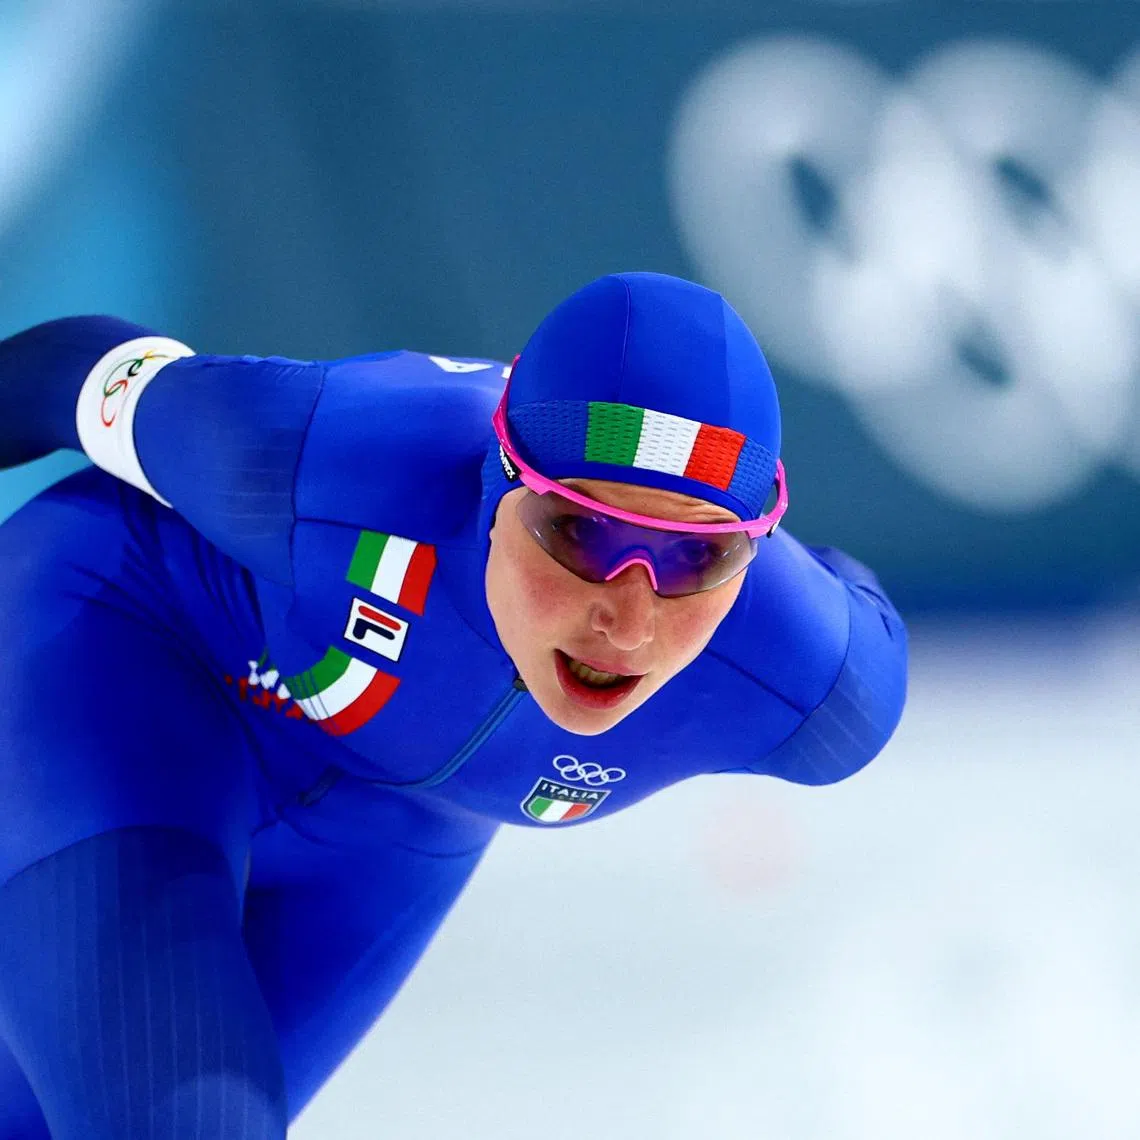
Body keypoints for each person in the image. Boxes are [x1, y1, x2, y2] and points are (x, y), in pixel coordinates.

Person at [0, 272, 907, 1138]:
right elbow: (64, 376)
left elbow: (848, 600)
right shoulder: (317, 457)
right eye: (581, 532)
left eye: (692, 559)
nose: (627, 622)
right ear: (495, 480)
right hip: (124, 657)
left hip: (393, 840)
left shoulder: (814, 688)